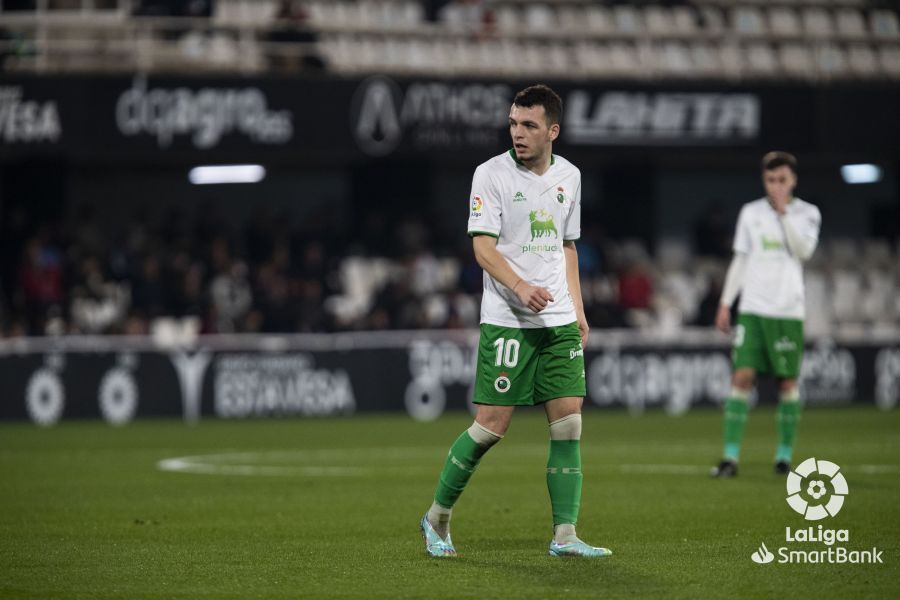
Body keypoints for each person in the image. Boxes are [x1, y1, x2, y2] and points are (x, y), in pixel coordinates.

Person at [419, 85, 611, 558]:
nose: (518, 133)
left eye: (528, 125)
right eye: (513, 123)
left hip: (560, 321)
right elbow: (482, 248)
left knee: (569, 425)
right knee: (490, 427)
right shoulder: (491, 174)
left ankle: (565, 536)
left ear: (553, 130)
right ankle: (436, 517)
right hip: (508, 319)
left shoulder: (571, 175)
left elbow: (567, 246)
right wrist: (521, 287)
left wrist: (578, 308)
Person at [711, 151, 822, 478]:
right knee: (741, 377)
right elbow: (741, 260)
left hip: (788, 310)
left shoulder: (807, 214)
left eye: (782, 180)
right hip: (753, 309)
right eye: (771, 180)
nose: (776, 186)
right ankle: (730, 458)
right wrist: (725, 302)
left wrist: (784, 214)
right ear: (764, 180)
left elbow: (804, 252)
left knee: (787, 382)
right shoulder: (751, 213)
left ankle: (784, 458)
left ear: (793, 181)